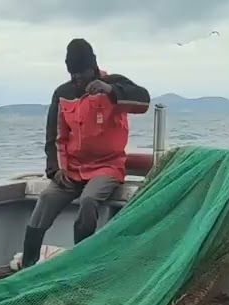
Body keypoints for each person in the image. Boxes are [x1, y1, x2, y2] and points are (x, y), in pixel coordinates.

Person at [19, 39, 149, 268]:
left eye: (82, 73)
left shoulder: (115, 83)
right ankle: (28, 265)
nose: (78, 79)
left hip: (106, 167)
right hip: (72, 168)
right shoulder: (62, 93)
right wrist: (55, 169)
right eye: (73, 74)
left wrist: (110, 91)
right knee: (46, 199)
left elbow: (143, 101)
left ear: (94, 67)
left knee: (89, 201)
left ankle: (81, 263)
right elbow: (54, 137)